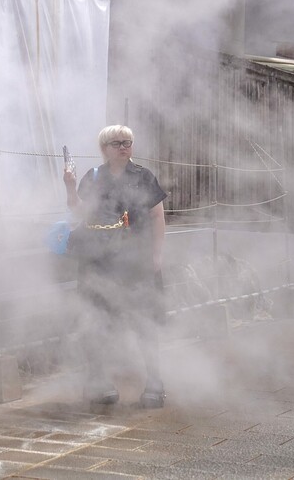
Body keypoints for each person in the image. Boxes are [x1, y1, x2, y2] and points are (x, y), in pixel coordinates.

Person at [63, 124, 166, 408]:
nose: (124, 147)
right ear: (105, 149)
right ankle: (97, 381)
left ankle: (155, 381)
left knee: (145, 320)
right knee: (97, 320)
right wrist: (70, 187)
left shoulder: (143, 176)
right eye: (117, 143)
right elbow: (79, 211)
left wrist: (157, 255)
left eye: (128, 142)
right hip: (98, 260)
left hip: (137, 259)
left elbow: (158, 217)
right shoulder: (93, 176)